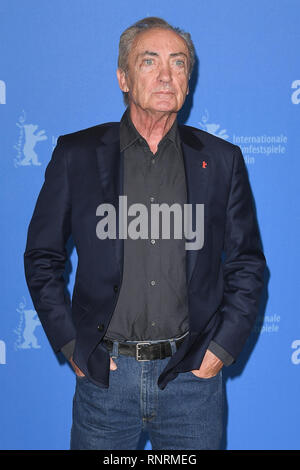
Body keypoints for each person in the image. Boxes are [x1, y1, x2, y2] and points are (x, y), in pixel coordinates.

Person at [24, 17, 266, 450]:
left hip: (191, 381)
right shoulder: (76, 155)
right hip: (105, 382)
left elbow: (247, 264)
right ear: (123, 77)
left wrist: (220, 351)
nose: (166, 74)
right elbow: (43, 255)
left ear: (188, 82)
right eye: (149, 61)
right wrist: (72, 343)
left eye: (178, 63)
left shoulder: (222, 160)